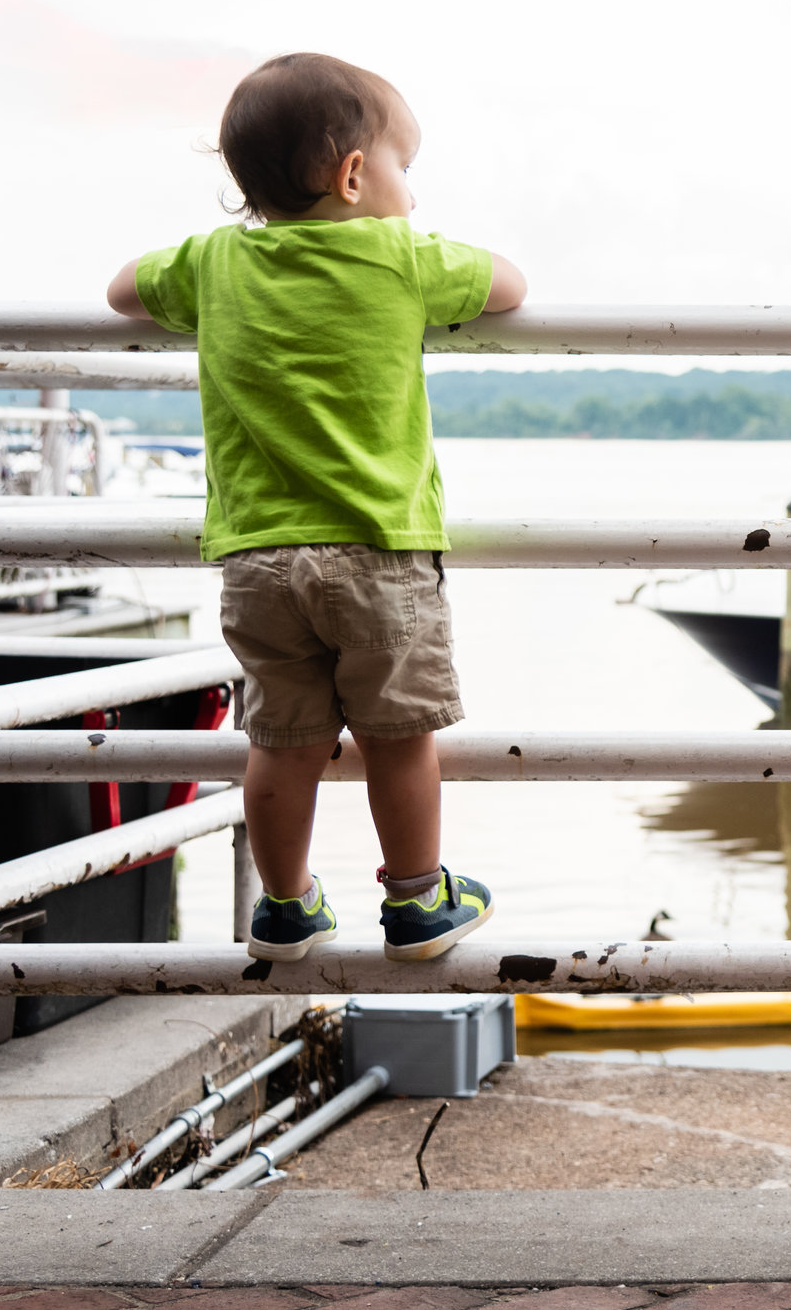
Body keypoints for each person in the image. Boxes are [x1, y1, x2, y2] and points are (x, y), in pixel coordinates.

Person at [105, 52, 527, 964]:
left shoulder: (216, 261)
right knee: (399, 736)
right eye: (403, 168)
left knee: (283, 742)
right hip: (382, 552)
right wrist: (415, 236)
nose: (408, 191)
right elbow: (510, 286)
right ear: (351, 175)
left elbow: (123, 290)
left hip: (258, 561)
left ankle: (287, 905)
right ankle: (418, 901)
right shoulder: (401, 256)